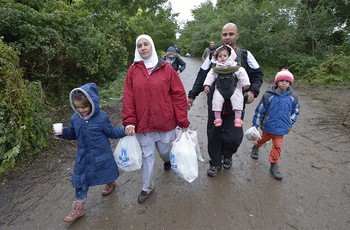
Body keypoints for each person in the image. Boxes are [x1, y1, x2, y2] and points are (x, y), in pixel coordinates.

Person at [187, 22, 263, 177]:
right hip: (214, 107)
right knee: (214, 135)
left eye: (231, 34)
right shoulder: (213, 56)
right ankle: (215, 163)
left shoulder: (245, 55)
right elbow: (202, 76)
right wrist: (192, 95)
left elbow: (257, 76)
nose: (227, 37)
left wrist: (253, 92)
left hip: (236, 107)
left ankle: (227, 155)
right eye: (224, 34)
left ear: (237, 35)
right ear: (221, 36)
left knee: (234, 138)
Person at [122, 34, 190, 204]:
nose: (143, 48)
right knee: (147, 155)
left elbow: (178, 95)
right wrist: (129, 120)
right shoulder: (133, 70)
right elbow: (128, 97)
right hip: (142, 122)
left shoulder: (166, 69)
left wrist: (182, 120)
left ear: (152, 46)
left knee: (164, 150)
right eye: (139, 45)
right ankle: (147, 187)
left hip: (164, 121)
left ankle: (167, 161)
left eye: (146, 44)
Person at [55, 83, 126, 222]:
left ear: (92, 103)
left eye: (84, 106)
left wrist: (125, 130)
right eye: (78, 107)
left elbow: (111, 132)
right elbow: (73, 133)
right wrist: (63, 132)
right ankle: (78, 208)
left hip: (101, 155)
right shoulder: (75, 119)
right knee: (81, 181)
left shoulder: (101, 118)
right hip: (84, 157)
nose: (81, 110)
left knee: (106, 171)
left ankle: (110, 183)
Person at [251, 69, 300, 180]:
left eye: (287, 81)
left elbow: (296, 111)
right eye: (281, 80)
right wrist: (256, 124)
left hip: (281, 128)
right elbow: (260, 110)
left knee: (277, 145)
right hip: (268, 126)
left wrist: (290, 121)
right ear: (277, 82)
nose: (284, 83)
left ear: (290, 83)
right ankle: (256, 145)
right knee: (263, 139)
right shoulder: (269, 95)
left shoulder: (293, 97)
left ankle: (274, 164)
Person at [203, 44, 250, 128]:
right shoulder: (215, 69)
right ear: (216, 58)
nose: (222, 57)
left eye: (225, 55)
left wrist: (246, 83)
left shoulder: (235, 67)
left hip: (234, 89)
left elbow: (242, 73)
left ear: (230, 56)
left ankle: (238, 119)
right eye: (220, 56)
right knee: (216, 102)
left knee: (238, 101)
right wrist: (207, 85)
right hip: (219, 90)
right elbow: (210, 76)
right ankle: (217, 119)